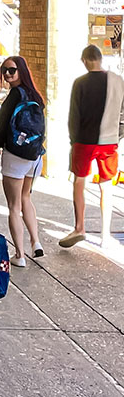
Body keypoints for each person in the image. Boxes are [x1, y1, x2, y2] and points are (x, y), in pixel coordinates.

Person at [60, 45, 124, 249]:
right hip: (109, 142)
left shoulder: (80, 82)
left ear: (85, 60)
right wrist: (118, 135)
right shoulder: (117, 81)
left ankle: (79, 227)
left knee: (79, 182)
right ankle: (105, 235)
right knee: (106, 186)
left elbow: (74, 116)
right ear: (100, 58)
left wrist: (73, 141)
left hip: (84, 141)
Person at [0, 56, 46, 267]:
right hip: (34, 155)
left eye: (11, 70)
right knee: (25, 198)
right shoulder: (35, 95)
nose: (7, 74)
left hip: (16, 155)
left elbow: (1, 123)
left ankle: (20, 255)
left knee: (13, 206)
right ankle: (36, 242)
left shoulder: (15, 94)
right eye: (4, 70)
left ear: (21, 70)